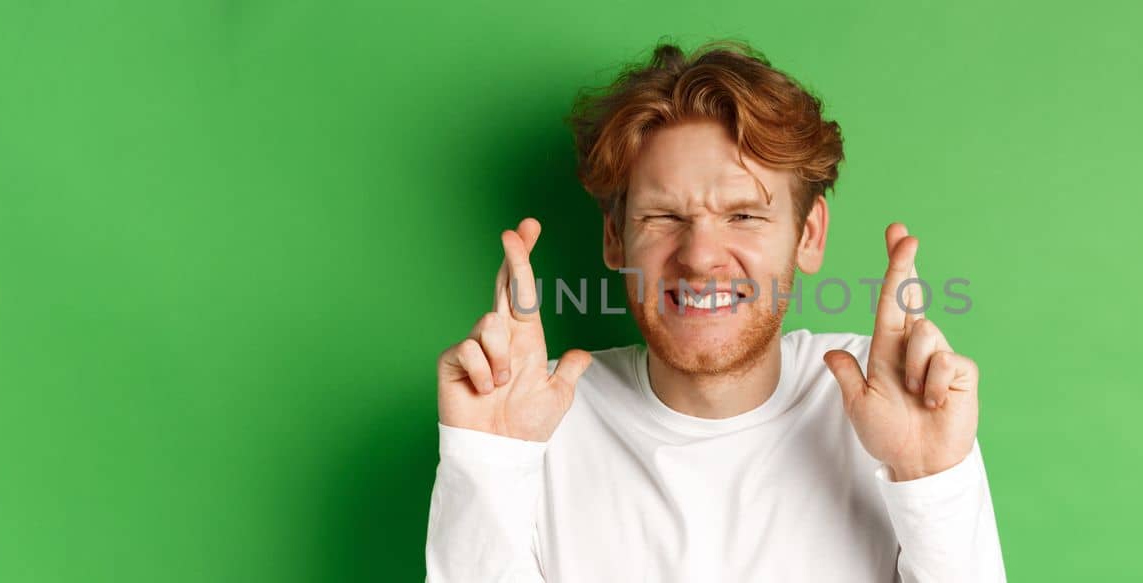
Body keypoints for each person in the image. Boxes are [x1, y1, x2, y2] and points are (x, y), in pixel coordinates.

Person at [425, 40, 1006, 582]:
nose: (701, 258)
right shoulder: (534, 421)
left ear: (808, 235)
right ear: (614, 239)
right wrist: (489, 466)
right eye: (663, 217)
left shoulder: (893, 404)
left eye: (744, 216)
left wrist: (929, 478)